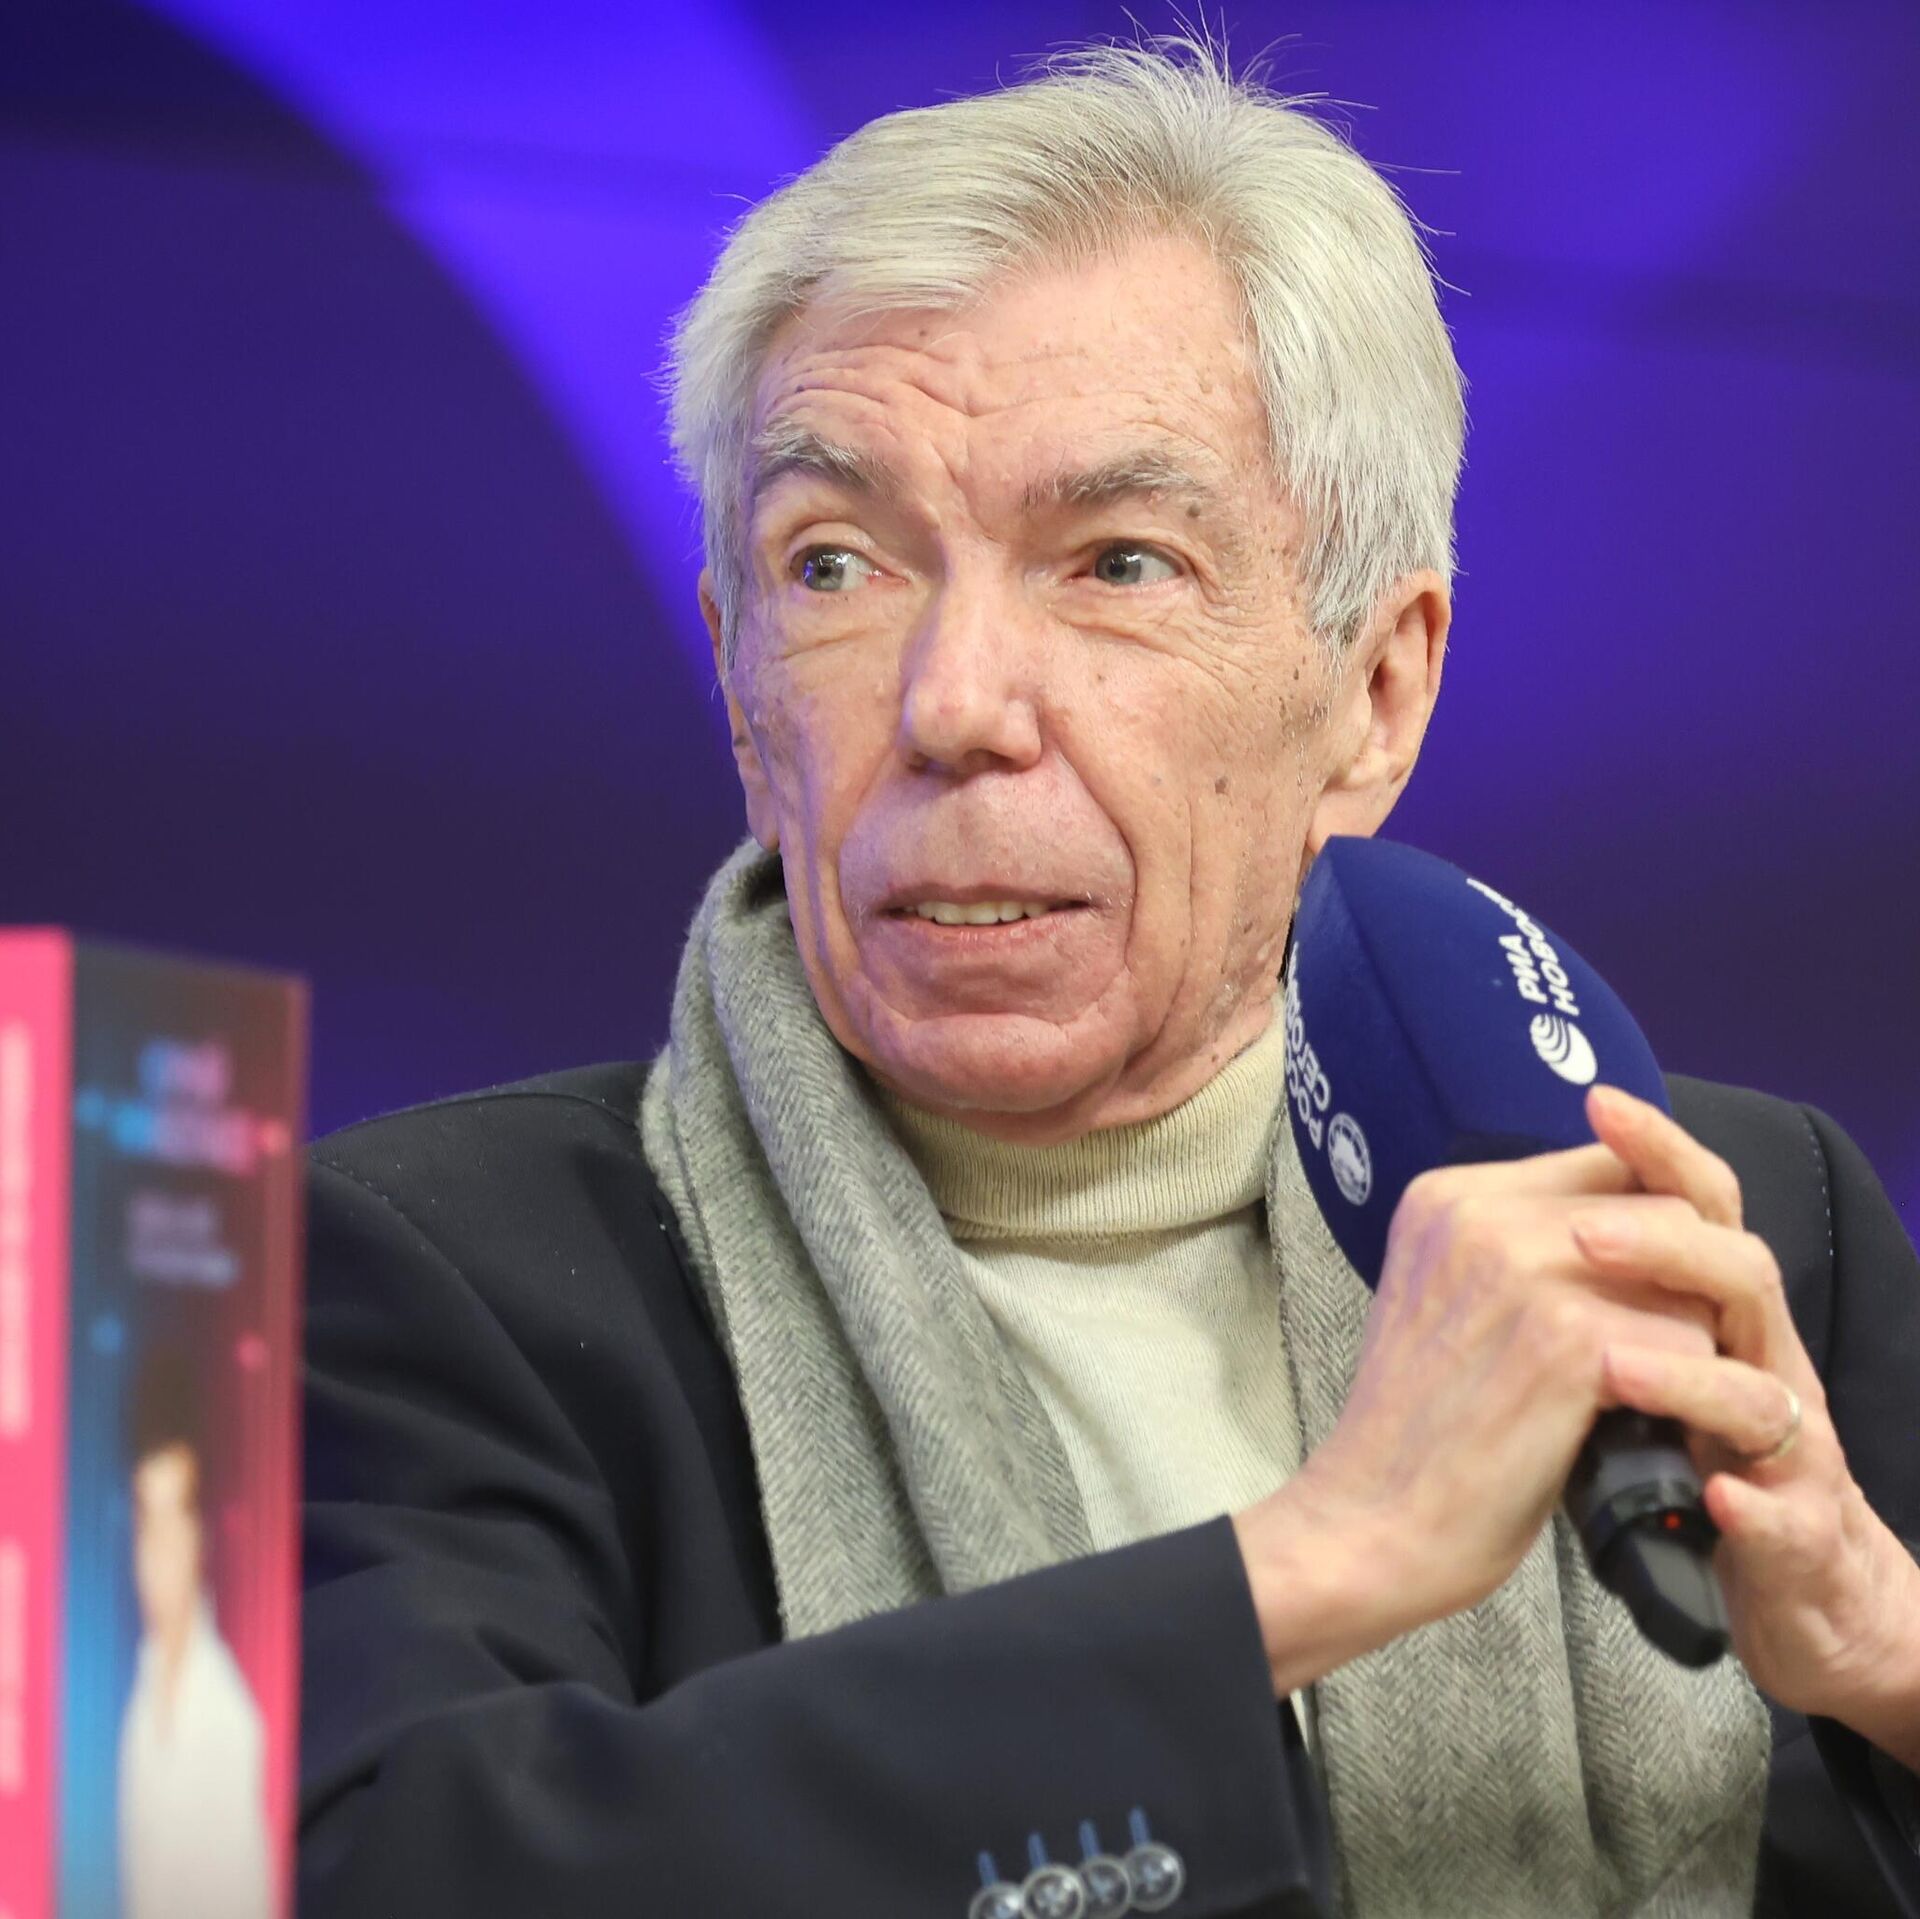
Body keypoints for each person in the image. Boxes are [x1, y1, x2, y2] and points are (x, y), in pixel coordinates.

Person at [296, 38, 1920, 1917]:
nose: (953, 703)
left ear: (1374, 691)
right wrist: (1321, 1559)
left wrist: (1889, 1653)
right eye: (835, 565)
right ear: (742, 693)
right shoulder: (448, 1274)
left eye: (1117, 561)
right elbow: (391, 1868)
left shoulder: (1718, 1228)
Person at [119, 1346, 274, 1919]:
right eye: (146, 1524)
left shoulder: (228, 1723)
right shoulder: (139, 1696)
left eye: (173, 1524)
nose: (156, 1555)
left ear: (202, 1537)